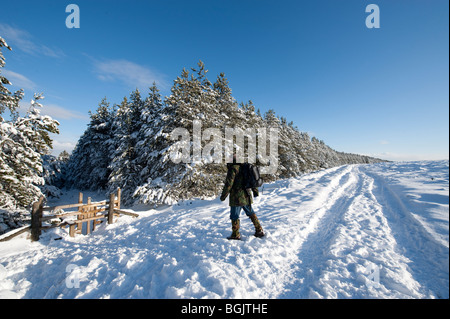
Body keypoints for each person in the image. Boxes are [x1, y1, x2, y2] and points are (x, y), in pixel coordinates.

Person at [220, 156, 265, 240]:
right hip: (247, 195)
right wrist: (255, 191)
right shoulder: (245, 167)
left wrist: (223, 196)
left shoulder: (233, 169)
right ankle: (259, 230)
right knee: (251, 213)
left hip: (236, 197)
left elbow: (229, 184)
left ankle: (235, 234)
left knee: (234, 216)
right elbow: (252, 180)